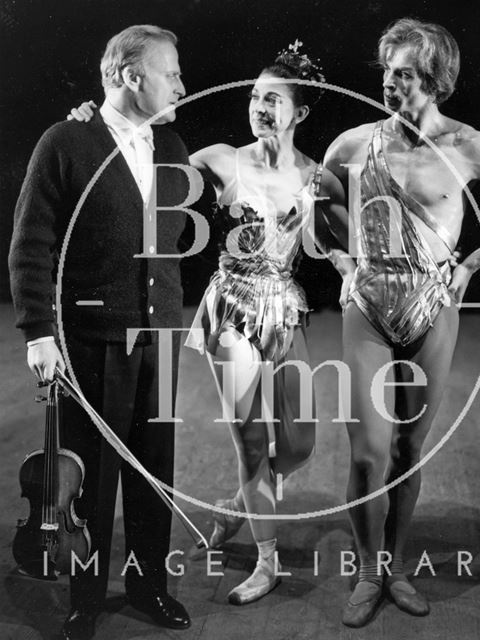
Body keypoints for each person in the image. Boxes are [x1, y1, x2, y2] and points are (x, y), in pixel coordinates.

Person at [323, 18, 480, 628]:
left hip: (434, 308)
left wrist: (474, 263)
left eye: (404, 74)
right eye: (387, 73)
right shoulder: (350, 145)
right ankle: (367, 572)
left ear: (434, 80)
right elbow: (319, 205)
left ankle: (396, 569)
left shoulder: (470, 148)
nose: (390, 84)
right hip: (366, 308)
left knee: (408, 448)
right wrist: (344, 255)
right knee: (368, 451)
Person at [9, 25, 192, 640]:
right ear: (132, 77)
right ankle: (84, 600)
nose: (182, 85)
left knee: (154, 474)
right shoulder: (66, 141)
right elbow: (30, 245)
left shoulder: (172, 149)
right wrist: (39, 331)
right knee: (93, 478)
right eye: (171, 74)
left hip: (160, 340)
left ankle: (149, 589)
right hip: (92, 337)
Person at [186, 43, 354, 605]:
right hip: (231, 309)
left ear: (300, 113)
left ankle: (238, 504)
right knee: (253, 444)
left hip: (283, 309)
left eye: (273, 99)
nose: (259, 106)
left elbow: (341, 238)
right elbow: (147, 181)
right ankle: (266, 563)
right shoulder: (219, 160)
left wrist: (346, 261)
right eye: (255, 96)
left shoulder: (318, 177)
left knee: (301, 443)